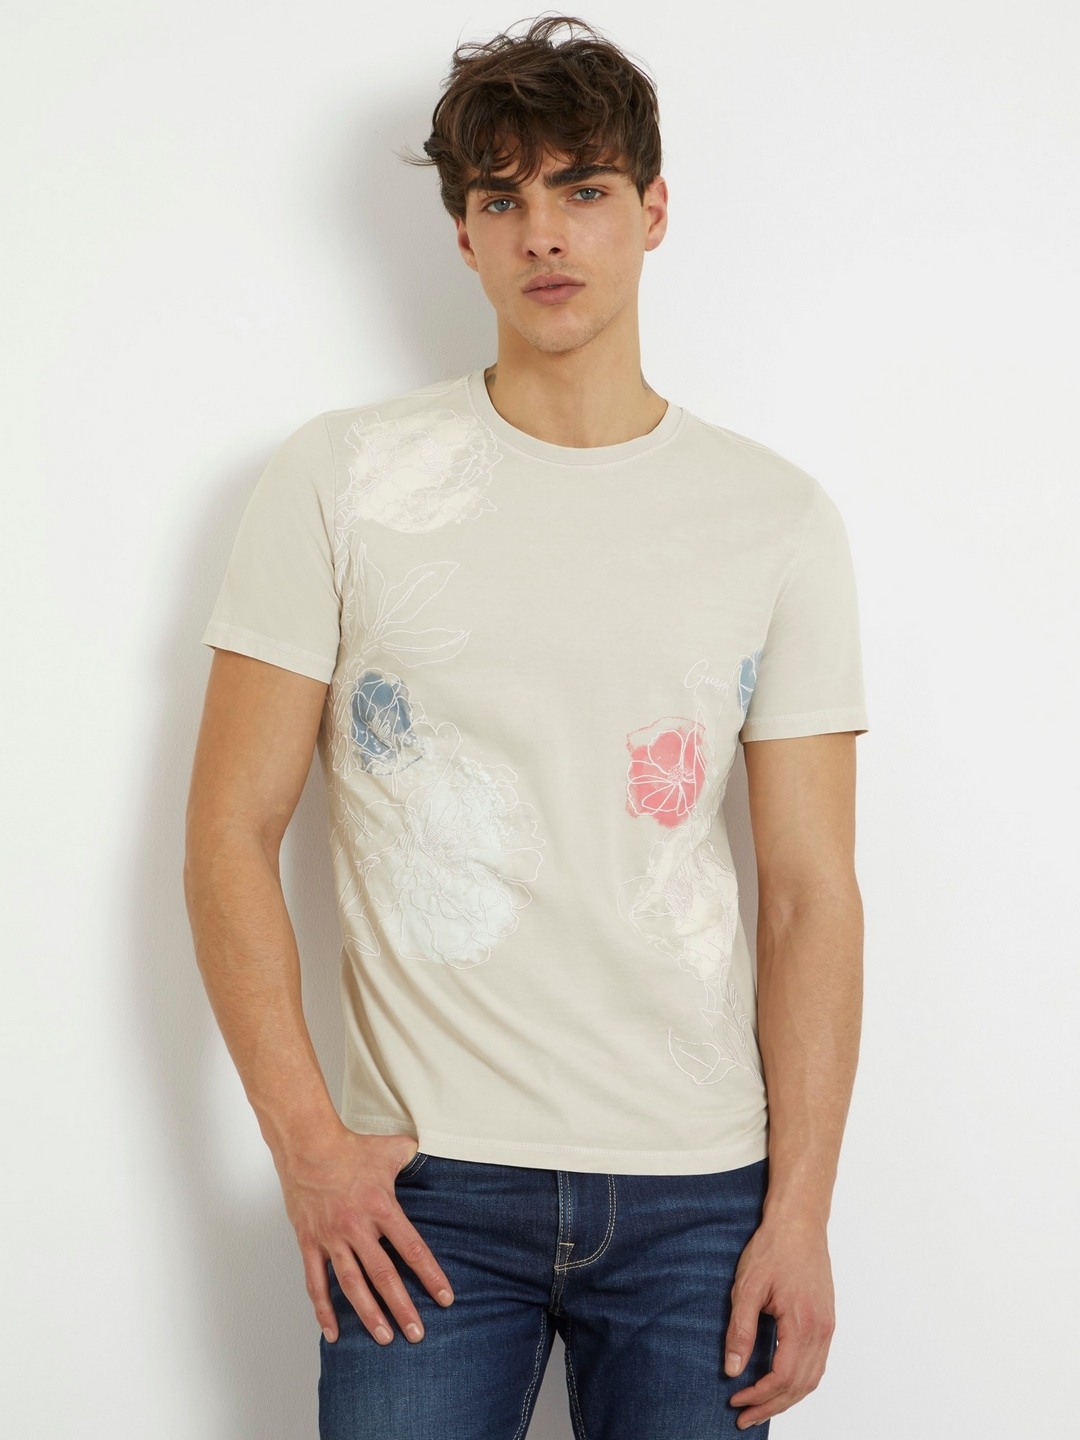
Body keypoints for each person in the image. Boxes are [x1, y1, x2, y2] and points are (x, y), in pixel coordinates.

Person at [184, 14, 869, 1438]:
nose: (544, 232)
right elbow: (230, 833)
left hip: (698, 1194)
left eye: (584, 188)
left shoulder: (775, 518)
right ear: (463, 236)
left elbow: (812, 891)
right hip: (423, 1188)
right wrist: (308, 1147)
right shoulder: (342, 479)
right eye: (502, 200)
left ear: (654, 210)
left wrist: (800, 1210)